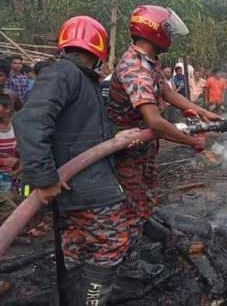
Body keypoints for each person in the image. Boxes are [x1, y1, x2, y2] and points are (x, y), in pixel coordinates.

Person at [13, 16, 141, 305]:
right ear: (100, 50)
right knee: (112, 242)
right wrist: (44, 179)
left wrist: (121, 140)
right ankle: (92, 300)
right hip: (87, 188)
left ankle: (76, 297)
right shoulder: (63, 74)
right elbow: (30, 123)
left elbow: (87, 135)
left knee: (77, 244)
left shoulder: (83, 81)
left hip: (82, 184)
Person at [107, 5, 221, 279]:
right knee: (132, 206)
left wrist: (202, 111)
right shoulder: (134, 66)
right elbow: (155, 121)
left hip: (143, 151)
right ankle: (127, 266)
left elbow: (167, 92)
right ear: (154, 31)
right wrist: (190, 142)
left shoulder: (149, 61)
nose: (170, 36)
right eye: (167, 30)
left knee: (144, 199)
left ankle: (131, 249)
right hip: (128, 154)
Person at [0, 92, 20, 222]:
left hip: (17, 176)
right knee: (11, 208)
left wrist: (18, 168)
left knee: (25, 195)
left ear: (7, 109)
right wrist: (4, 161)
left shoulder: (18, 126)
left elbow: (25, 153)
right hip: (2, 177)